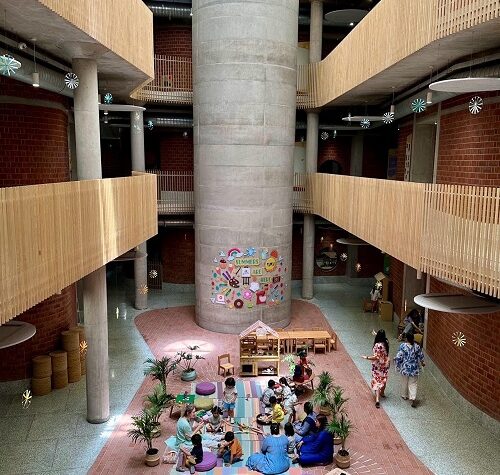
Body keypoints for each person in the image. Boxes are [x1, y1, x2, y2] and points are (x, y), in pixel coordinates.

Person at [394, 332, 425, 408]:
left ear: (406, 339)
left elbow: (399, 356)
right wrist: (422, 363)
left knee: (404, 382)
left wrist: (397, 363)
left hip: (405, 368)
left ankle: (404, 395)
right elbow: (421, 356)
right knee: (413, 383)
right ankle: (413, 398)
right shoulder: (417, 347)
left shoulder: (403, 346)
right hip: (414, 369)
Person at [362, 329, 390, 408]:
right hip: (384, 364)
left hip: (377, 366)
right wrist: (376, 334)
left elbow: (376, 357)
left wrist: (367, 357)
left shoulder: (377, 345)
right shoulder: (386, 342)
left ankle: (377, 399)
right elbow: (383, 338)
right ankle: (382, 392)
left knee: (376, 380)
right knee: (383, 378)